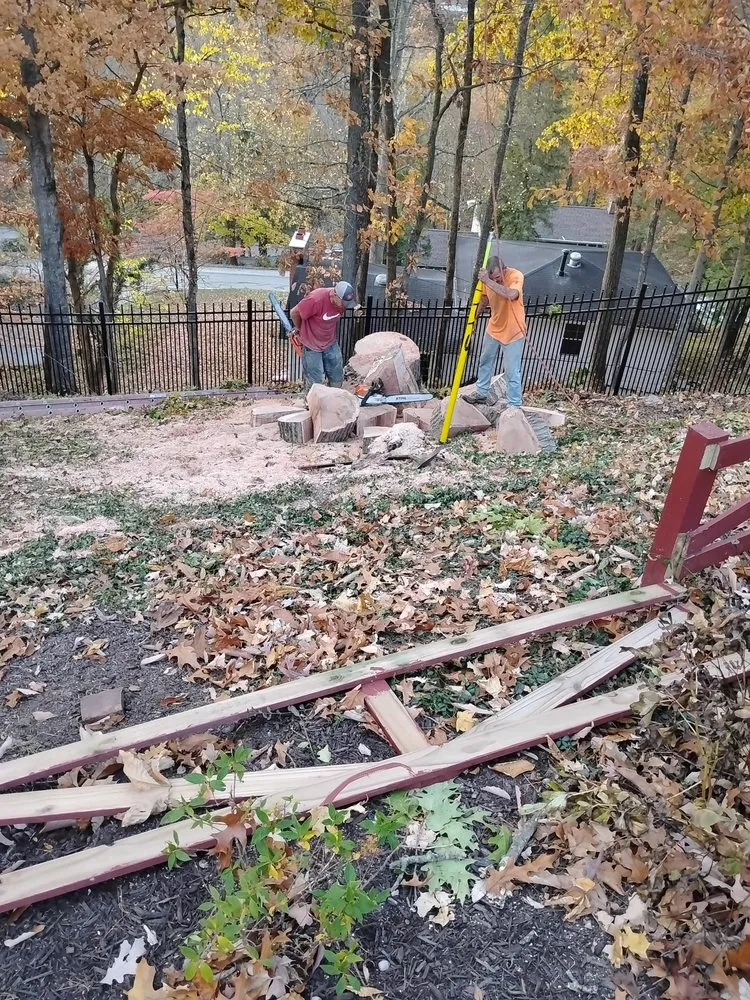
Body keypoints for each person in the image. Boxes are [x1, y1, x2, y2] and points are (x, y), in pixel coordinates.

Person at [464, 255, 526, 407]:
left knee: (511, 370)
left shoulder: (515, 275)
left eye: (498, 278)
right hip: (494, 327)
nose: (496, 281)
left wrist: (488, 281)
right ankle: (481, 393)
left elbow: (512, 294)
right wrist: (474, 319)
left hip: (513, 331)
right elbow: (484, 299)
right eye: (493, 278)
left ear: (504, 269)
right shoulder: (488, 280)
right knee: (485, 361)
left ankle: (514, 405)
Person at [290, 280, 357, 390]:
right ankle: (311, 399)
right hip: (312, 344)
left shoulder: (342, 303)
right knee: (316, 382)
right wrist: (300, 329)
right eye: (343, 302)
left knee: (337, 377)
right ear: (334, 295)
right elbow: (294, 313)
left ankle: (333, 396)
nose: (345, 306)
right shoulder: (315, 299)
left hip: (330, 342)